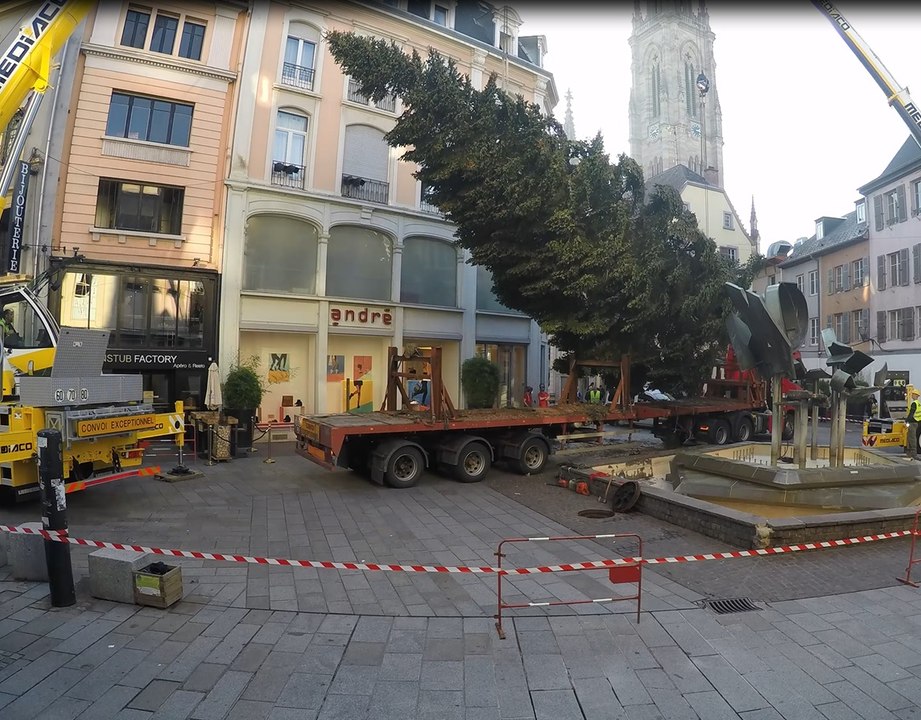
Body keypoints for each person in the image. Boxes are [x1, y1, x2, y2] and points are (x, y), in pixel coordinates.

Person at [906, 389, 921, 458]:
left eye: (913, 394)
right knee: (911, 437)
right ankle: (910, 453)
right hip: (917, 422)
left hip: (912, 422)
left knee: (912, 438)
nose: (912, 395)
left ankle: (913, 454)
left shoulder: (914, 403)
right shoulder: (919, 403)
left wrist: (907, 420)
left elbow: (911, 413)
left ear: (916, 395)